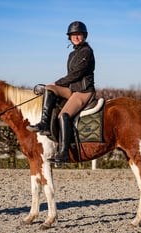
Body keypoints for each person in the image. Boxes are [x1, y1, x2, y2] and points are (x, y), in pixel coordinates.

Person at [26, 21, 96, 163]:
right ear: (69, 37)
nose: (76, 37)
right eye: (73, 35)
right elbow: (70, 78)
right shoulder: (72, 54)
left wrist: (57, 83)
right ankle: (44, 123)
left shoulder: (87, 52)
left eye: (79, 34)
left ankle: (63, 153)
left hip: (83, 92)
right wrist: (55, 86)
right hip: (72, 90)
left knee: (64, 115)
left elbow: (76, 74)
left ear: (84, 36)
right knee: (49, 89)